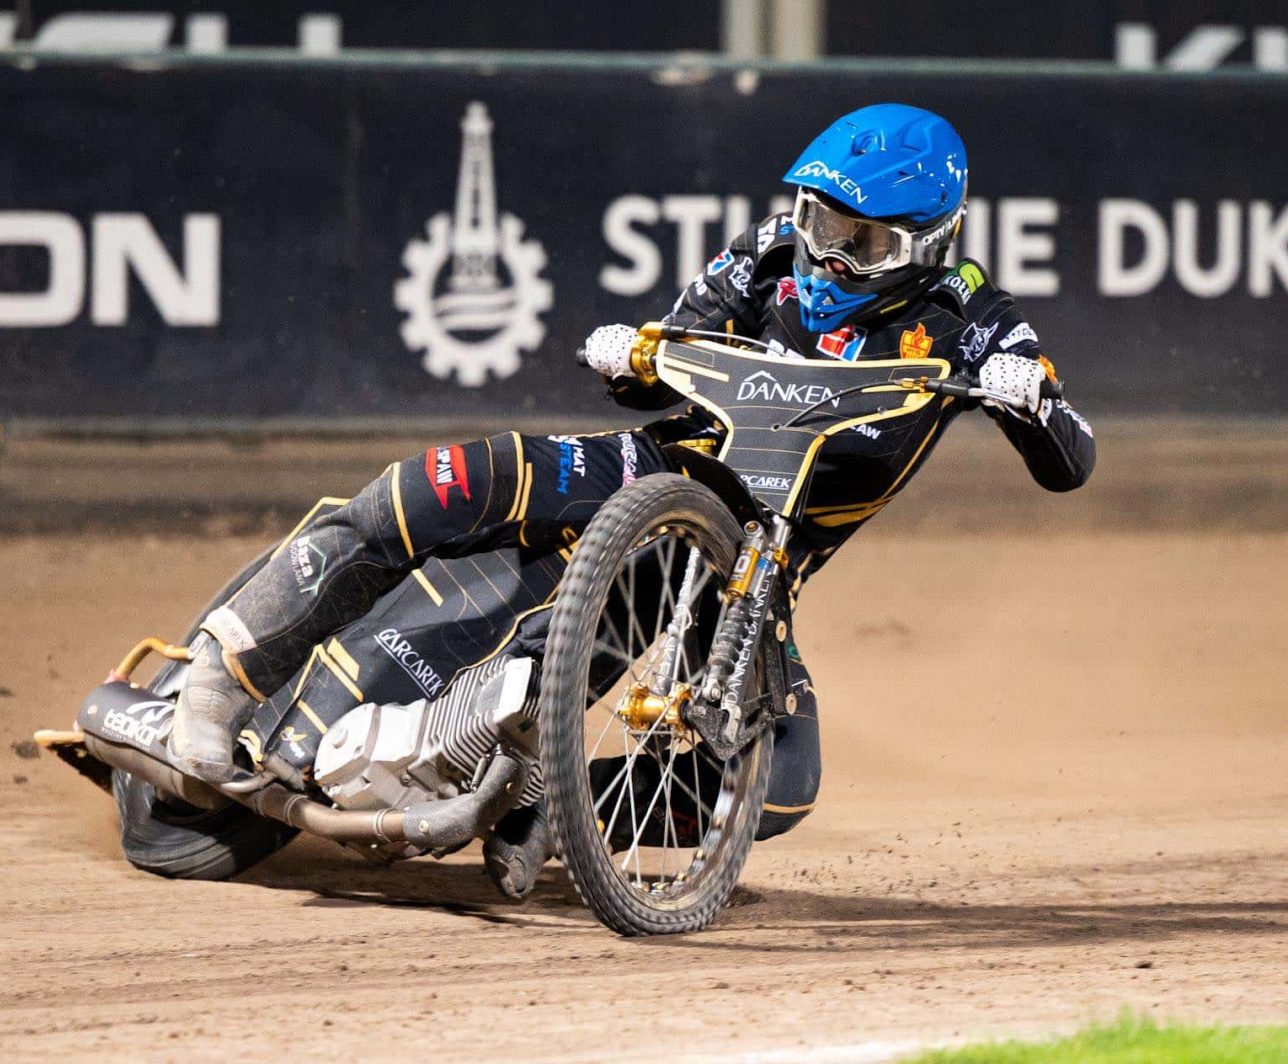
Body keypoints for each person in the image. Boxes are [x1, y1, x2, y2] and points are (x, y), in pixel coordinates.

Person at [170, 102, 1095, 895]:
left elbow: (1072, 462)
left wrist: (1031, 398)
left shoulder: (972, 316)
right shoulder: (767, 252)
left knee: (783, 785)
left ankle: (558, 808)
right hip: (650, 471)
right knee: (447, 481)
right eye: (820, 223)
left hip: (752, 567)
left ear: (928, 244)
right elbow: (655, 370)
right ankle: (224, 672)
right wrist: (631, 351)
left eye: (865, 244)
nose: (828, 259)